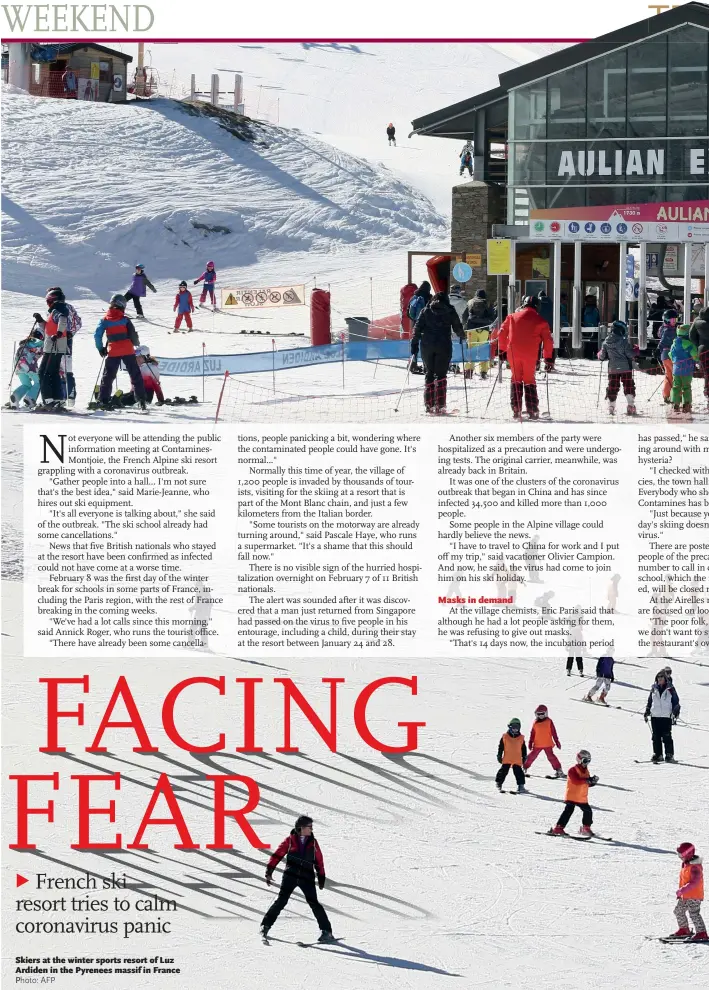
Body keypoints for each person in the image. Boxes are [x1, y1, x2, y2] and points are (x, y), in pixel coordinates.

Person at [260, 815, 334, 943]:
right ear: (301, 828)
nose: (311, 829)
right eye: (309, 827)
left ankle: (326, 931)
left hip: (307, 877)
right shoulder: (289, 840)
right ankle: (265, 926)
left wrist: (321, 876)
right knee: (281, 901)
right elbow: (277, 855)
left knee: (314, 903)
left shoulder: (313, 842)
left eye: (311, 826)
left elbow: (319, 860)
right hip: (290, 876)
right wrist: (269, 871)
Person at [498, 295, 553, 420]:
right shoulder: (541, 321)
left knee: (516, 378)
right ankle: (532, 409)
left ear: (523, 304)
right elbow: (548, 341)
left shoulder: (511, 317)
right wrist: (548, 358)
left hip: (513, 353)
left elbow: (501, 333)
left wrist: (501, 350)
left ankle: (516, 408)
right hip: (530, 354)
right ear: (537, 307)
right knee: (529, 380)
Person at [411, 290, 464, 414]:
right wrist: (462, 335)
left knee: (429, 374)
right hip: (443, 345)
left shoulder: (426, 310)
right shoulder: (450, 310)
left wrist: (414, 344)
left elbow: (417, 328)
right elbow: (457, 327)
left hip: (427, 345)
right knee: (441, 376)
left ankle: (429, 404)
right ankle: (440, 405)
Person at [94, 294, 147, 412]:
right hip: (128, 350)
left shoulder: (104, 320)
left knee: (108, 376)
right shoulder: (125, 319)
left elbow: (97, 335)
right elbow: (133, 335)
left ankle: (104, 400)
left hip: (113, 351)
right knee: (135, 375)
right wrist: (136, 342)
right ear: (122, 305)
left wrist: (101, 348)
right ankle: (141, 400)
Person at [549, 749, 598, 837]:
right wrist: (587, 780)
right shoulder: (572, 770)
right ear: (579, 759)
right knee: (568, 811)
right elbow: (576, 781)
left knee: (588, 811)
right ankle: (558, 828)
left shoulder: (586, 770)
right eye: (585, 761)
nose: (586, 763)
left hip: (581, 797)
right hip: (572, 796)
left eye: (588, 761)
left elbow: (586, 784)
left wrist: (592, 782)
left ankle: (585, 828)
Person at [36, 287, 71, 409]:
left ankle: (48, 400)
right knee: (53, 372)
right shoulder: (54, 311)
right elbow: (48, 327)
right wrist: (40, 321)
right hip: (54, 345)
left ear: (53, 300)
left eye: (48, 301)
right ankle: (58, 399)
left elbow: (63, 320)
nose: (47, 303)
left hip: (54, 346)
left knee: (43, 373)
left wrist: (59, 333)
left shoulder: (57, 310)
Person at [598, 320, 638, 416]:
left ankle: (611, 406)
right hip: (626, 369)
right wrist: (636, 350)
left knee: (613, 386)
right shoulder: (624, 342)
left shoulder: (606, 342)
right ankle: (630, 405)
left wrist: (599, 354)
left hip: (613, 369)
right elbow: (629, 354)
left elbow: (602, 357)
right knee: (628, 385)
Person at [670, 842, 706, 941]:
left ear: (688, 854)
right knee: (678, 911)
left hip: (694, 895)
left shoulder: (695, 867)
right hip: (685, 895)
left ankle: (702, 932)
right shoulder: (686, 864)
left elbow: (694, 882)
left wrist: (682, 890)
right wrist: (682, 893)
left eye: (681, 855)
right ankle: (684, 929)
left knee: (694, 913)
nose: (680, 857)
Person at [644, 670, 681, 763]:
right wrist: (647, 711)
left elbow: (676, 701)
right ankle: (658, 754)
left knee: (666, 736)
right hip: (655, 716)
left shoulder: (670, 689)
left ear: (665, 679)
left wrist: (675, 711)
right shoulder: (654, 689)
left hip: (665, 716)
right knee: (656, 736)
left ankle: (669, 755)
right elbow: (649, 701)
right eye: (658, 678)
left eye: (661, 678)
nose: (660, 680)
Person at [6, 326, 44, 409]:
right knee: (39, 382)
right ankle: (30, 398)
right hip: (29, 366)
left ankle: (15, 397)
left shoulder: (26, 342)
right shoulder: (40, 343)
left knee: (26, 384)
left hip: (18, 366)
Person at [523, 705, 564, 777]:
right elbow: (532, 733)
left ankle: (559, 770)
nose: (540, 715)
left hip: (547, 744)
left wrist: (557, 741)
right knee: (531, 757)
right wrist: (530, 742)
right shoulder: (535, 723)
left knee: (551, 757)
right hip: (537, 744)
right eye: (538, 714)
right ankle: (524, 768)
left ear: (546, 713)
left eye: (542, 713)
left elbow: (554, 732)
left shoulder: (549, 721)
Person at [464, 290, 494, 379]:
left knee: (471, 349)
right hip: (484, 330)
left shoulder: (470, 302)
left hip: (471, 330)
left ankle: (469, 371)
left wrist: (465, 326)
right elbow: (492, 317)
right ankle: (483, 372)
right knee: (483, 350)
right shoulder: (487, 303)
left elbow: (464, 316)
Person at [669, 324, 698, 415]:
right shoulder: (690, 345)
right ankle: (687, 404)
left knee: (676, 387)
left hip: (676, 370)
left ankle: (675, 404)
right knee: (686, 387)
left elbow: (670, 354)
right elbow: (695, 356)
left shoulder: (674, 344)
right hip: (687, 370)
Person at [496, 718, 527, 793]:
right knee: (503, 771)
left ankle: (521, 785)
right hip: (507, 758)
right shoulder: (505, 737)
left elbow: (523, 748)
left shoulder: (521, 738)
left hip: (517, 759)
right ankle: (499, 783)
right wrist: (499, 755)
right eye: (513, 727)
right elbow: (501, 747)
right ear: (510, 727)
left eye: (517, 727)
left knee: (519, 773)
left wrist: (524, 756)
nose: (515, 729)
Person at [407, 281, 432, 373]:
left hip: (415, 325)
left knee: (414, 344)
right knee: (426, 346)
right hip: (427, 326)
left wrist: (414, 320)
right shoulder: (429, 298)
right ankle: (426, 366)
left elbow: (408, 312)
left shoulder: (414, 297)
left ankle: (413, 364)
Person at [657, 309, 679, 404]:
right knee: (676, 376)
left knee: (668, 376)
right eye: (672, 320)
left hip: (665, 356)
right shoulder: (668, 330)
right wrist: (658, 349)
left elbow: (660, 337)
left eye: (676, 320)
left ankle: (666, 395)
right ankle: (675, 396)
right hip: (670, 355)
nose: (674, 322)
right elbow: (663, 341)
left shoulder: (663, 328)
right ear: (666, 320)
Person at [690, 306, 709, 409]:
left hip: (703, 351)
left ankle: (707, 394)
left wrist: (698, 346)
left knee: (707, 373)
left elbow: (691, 335)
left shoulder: (697, 322)